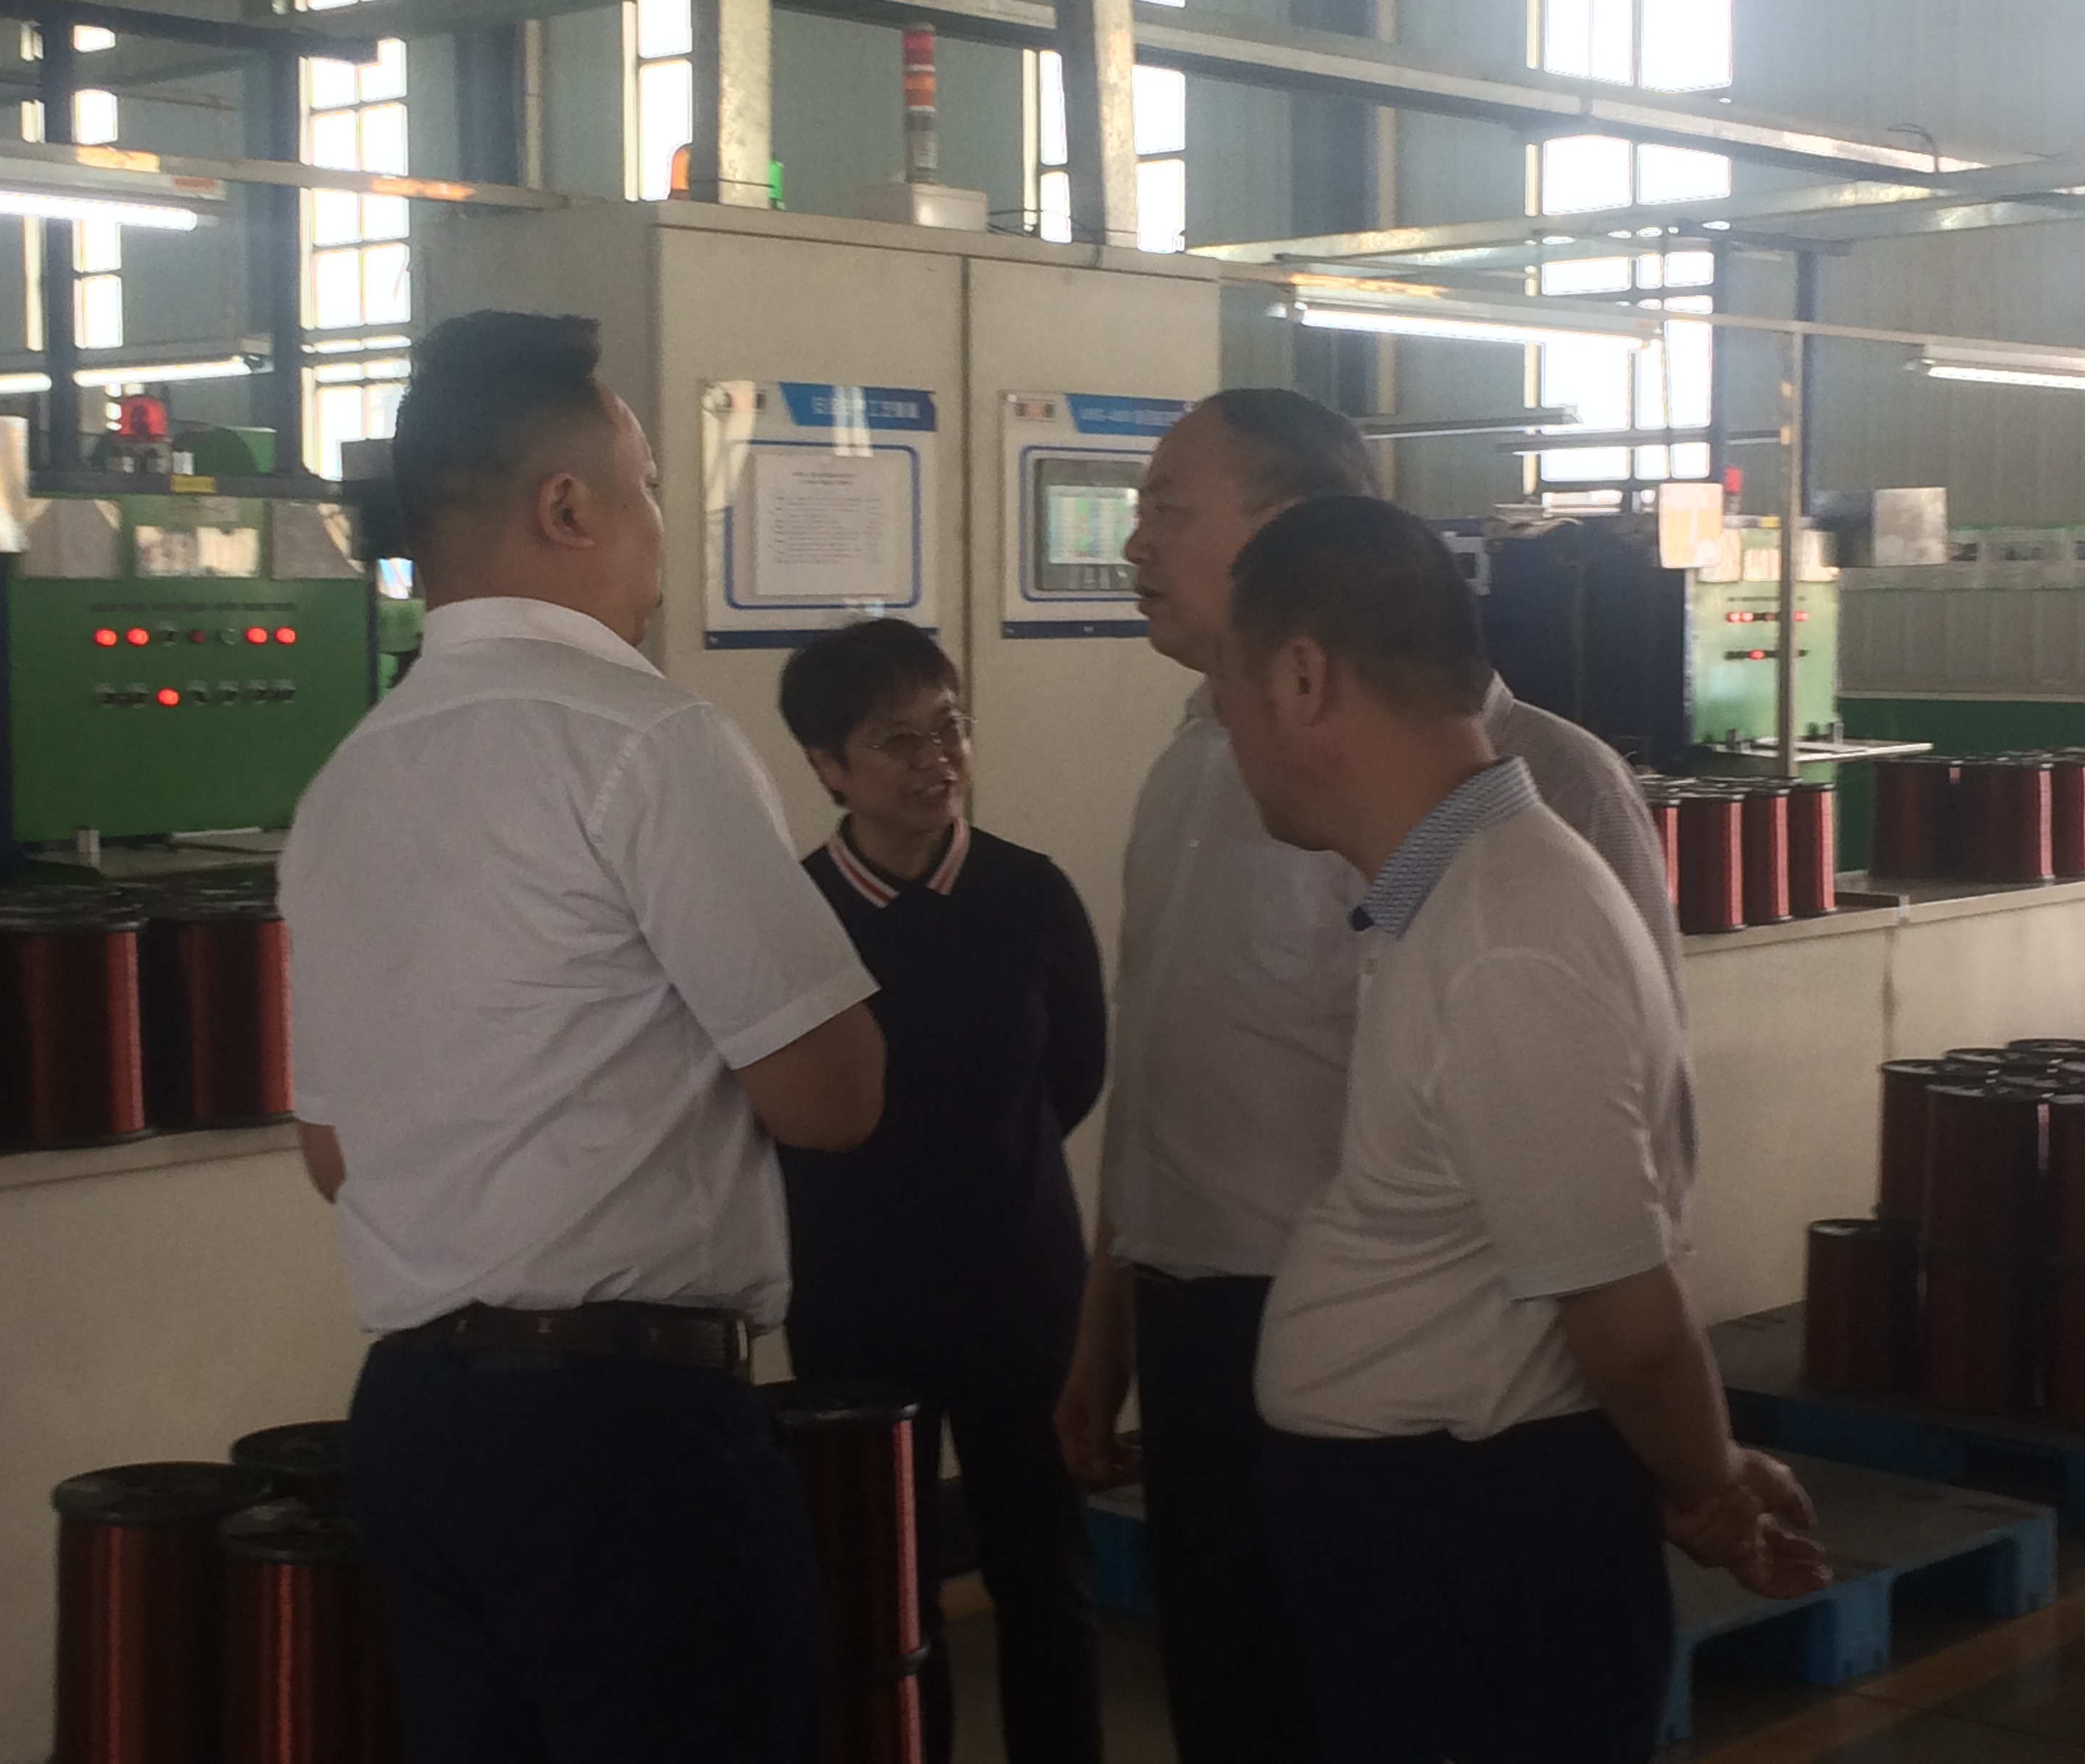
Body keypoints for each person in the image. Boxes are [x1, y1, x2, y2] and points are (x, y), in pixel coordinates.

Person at [277, 310, 887, 1764]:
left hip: (415, 1431)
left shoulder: (345, 784)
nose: (663, 521)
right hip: (623, 1441)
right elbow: (833, 1095)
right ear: (568, 507)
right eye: (651, 484)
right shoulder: (645, 740)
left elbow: (331, 1154)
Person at [1050, 388, 1692, 1764]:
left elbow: (1630, 1172)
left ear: (1299, 535)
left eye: (1170, 509)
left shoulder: (1541, 793)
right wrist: (1110, 1324)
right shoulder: (1191, 766)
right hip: (1221, 1356)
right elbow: (1160, 1068)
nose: (1135, 543)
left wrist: (1687, 1469)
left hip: (1446, 1432)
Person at [1212, 494, 1826, 1762]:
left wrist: (1707, 1483)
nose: (1225, 725)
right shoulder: (1461, 894)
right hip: (1443, 1530)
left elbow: (1630, 1325)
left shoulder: (1504, 932)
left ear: (1305, 678)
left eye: (1228, 686)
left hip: (1468, 1543)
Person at [774, 618, 1107, 1764]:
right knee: (881, 1594)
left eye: (951, 727)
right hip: (856, 1305)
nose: (938, 759)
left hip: (1021, 1291)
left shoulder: (1029, 894)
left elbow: (1074, 1076)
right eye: (898, 739)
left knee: (1044, 1577)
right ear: (828, 764)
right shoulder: (792, 914)